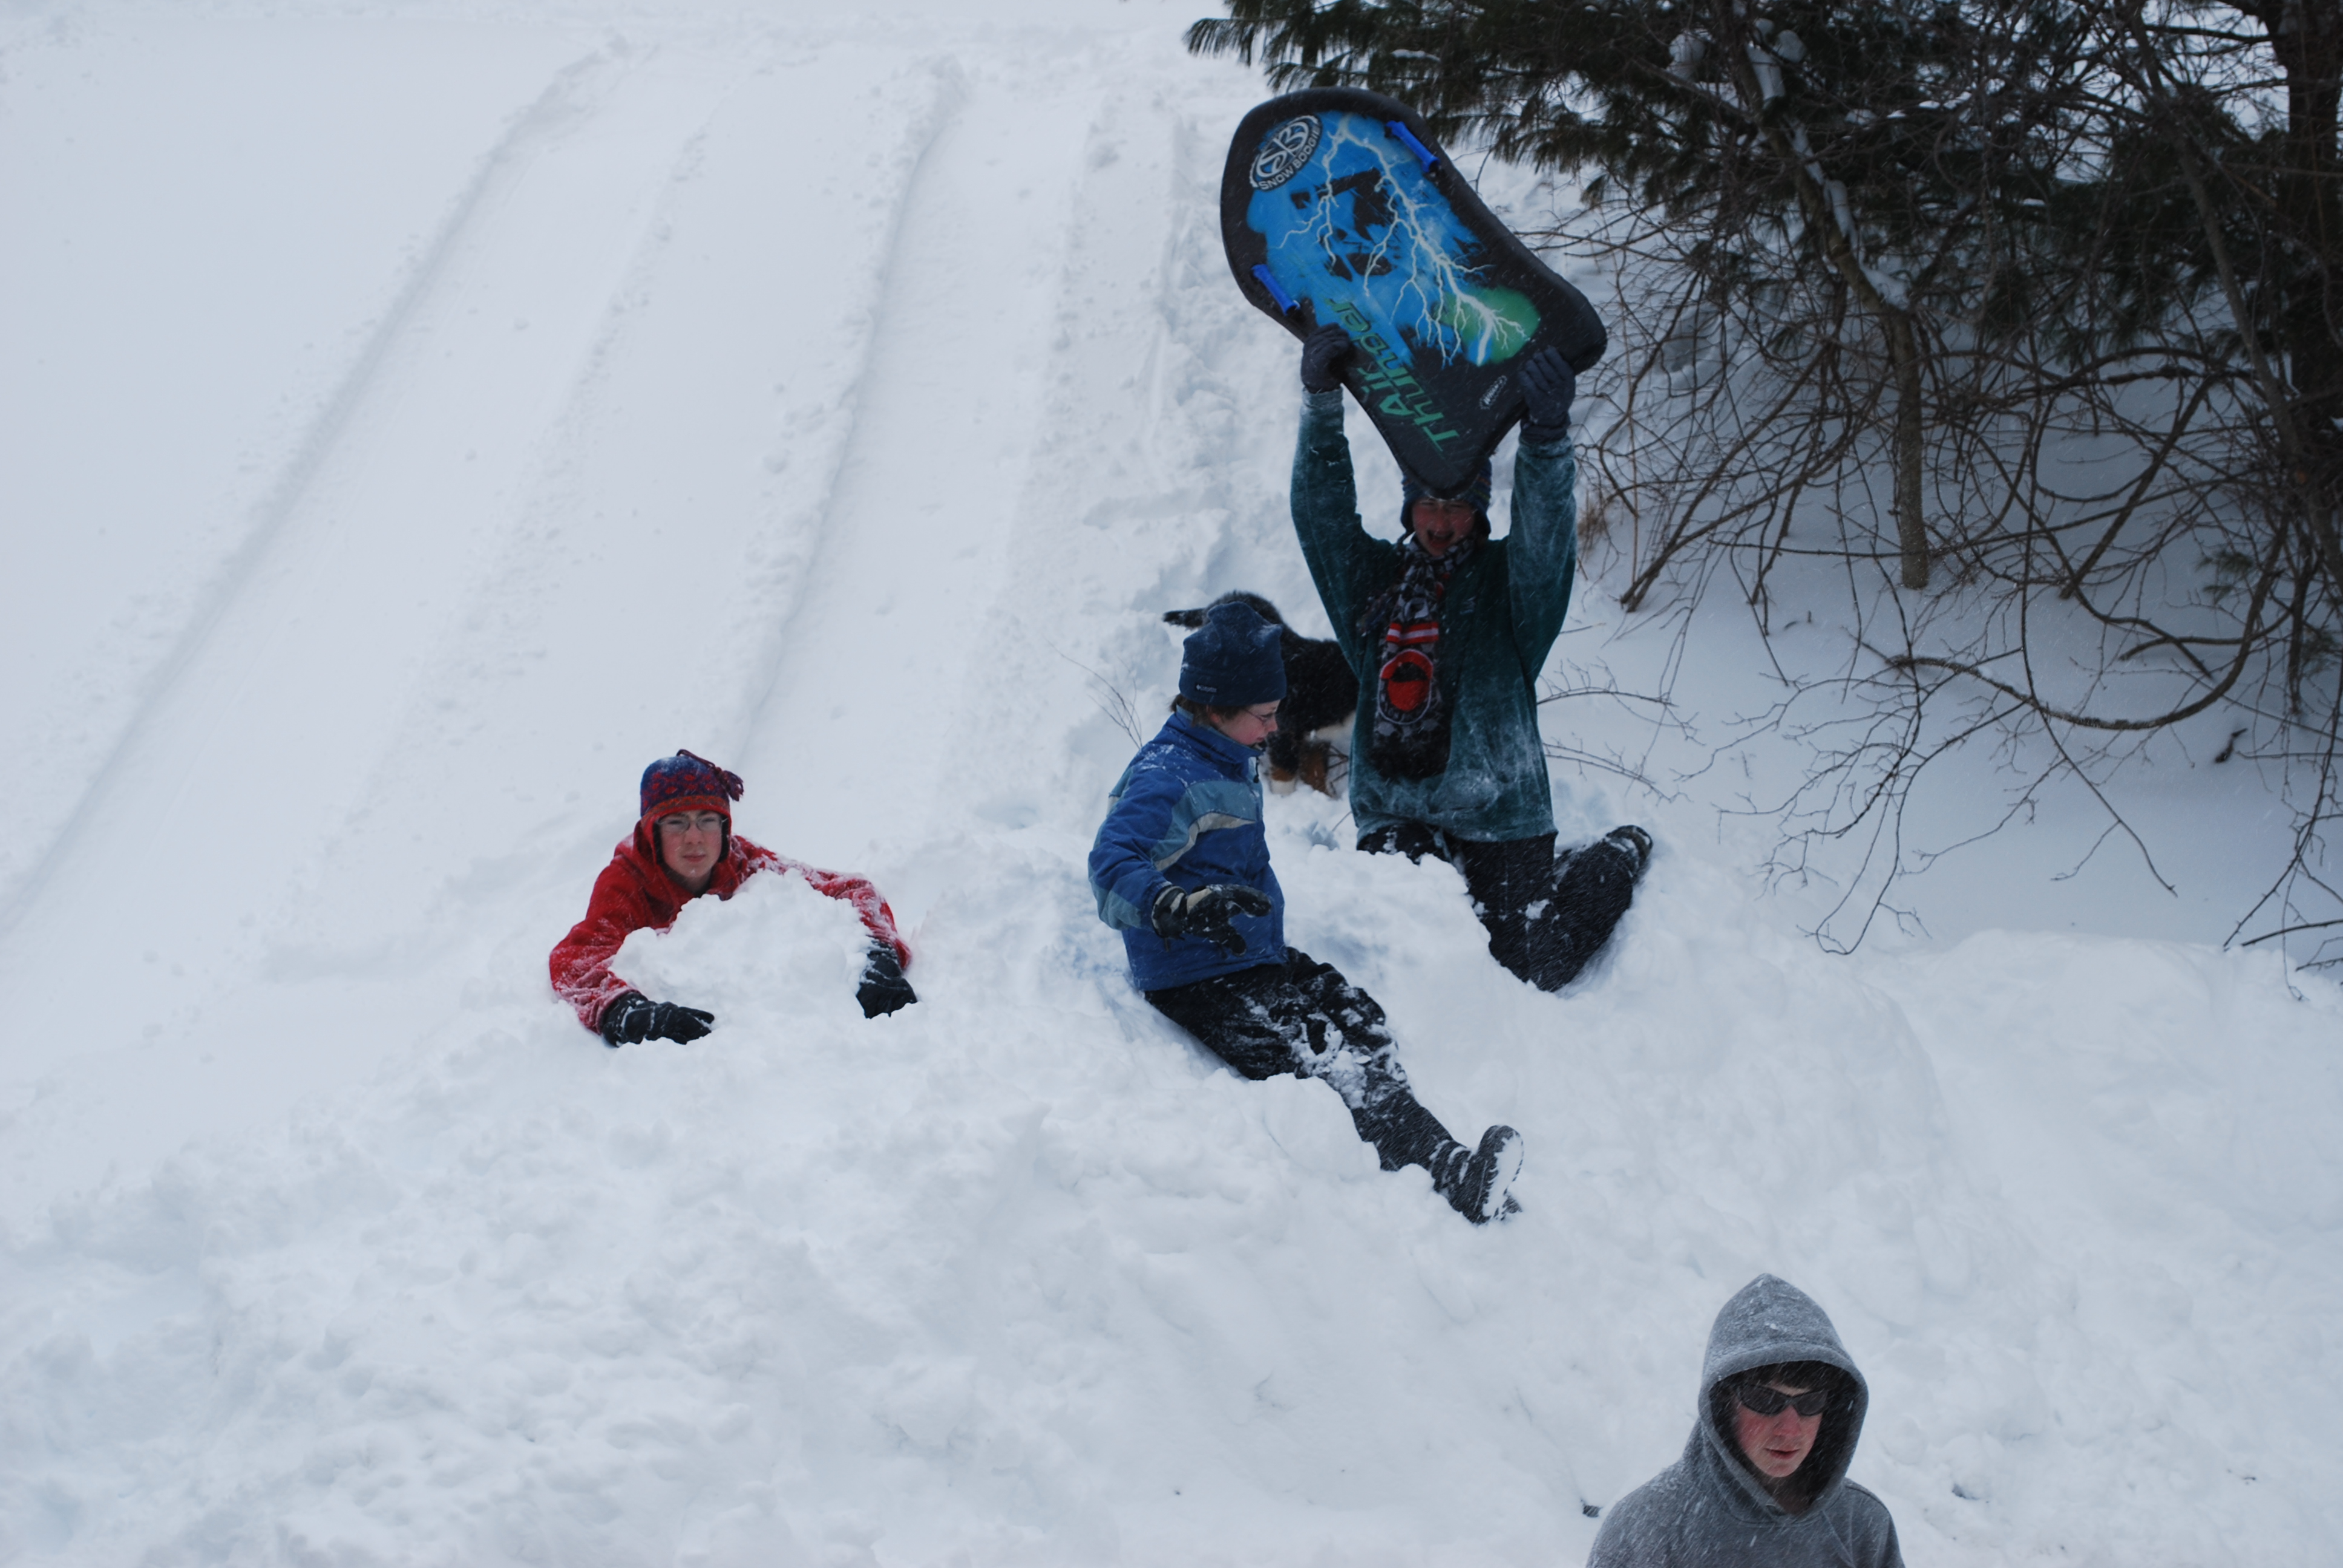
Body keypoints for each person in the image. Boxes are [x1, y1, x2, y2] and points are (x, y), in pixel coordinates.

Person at [1087, 599, 1523, 1223]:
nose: (1275, 729)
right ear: (1216, 706)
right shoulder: (1170, 777)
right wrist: (1175, 906)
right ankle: (1450, 1173)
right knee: (1325, 1057)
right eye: (1264, 716)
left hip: (1248, 950)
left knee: (1358, 1019)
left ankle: (1394, 1124)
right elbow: (1110, 861)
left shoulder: (1223, 752)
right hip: (1199, 973)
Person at [1290, 325, 1653, 990]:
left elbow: (1545, 541)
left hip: (1501, 813)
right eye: (1427, 503)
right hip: (1398, 810)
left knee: (1531, 968)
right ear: (1408, 505)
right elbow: (1322, 520)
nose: (1438, 522)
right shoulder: (1373, 588)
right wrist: (1320, 408)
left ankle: (1612, 857)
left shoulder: (1510, 587)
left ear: (1480, 509)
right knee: (1410, 964)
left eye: (1456, 507)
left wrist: (1545, 443)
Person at [551, 749, 915, 1045]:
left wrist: (879, 955)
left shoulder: (743, 862)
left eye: (707, 820)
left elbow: (852, 890)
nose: (694, 837)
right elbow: (578, 960)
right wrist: (628, 1013)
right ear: (651, 832)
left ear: (725, 827)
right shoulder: (627, 881)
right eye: (676, 822)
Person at [1588, 1273, 1904, 1567]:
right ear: (1722, 1403)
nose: (1790, 1429)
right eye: (1765, 1400)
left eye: (1811, 1402)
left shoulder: (1861, 1524)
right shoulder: (1646, 1528)